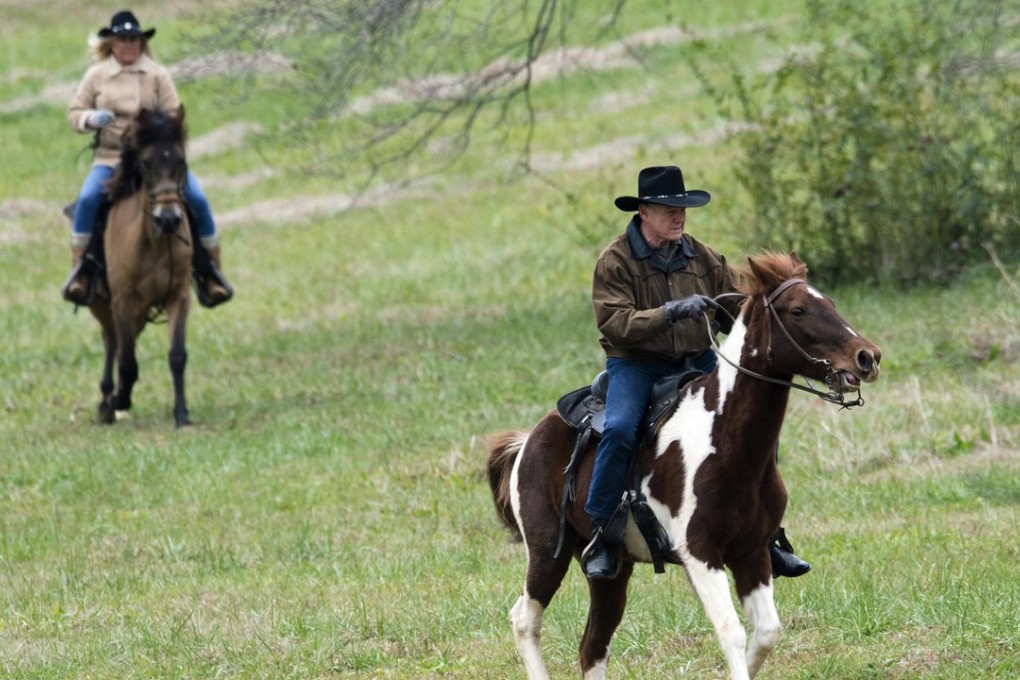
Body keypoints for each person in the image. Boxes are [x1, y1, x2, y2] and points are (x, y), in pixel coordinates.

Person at [581, 165, 811, 580]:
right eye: (669, 209)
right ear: (644, 212)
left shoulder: (701, 256)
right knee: (618, 428)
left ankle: (767, 535)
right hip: (637, 364)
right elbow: (614, 324)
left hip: (696, 359)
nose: (679, 216)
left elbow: (734, 310)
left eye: (682, 208)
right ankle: (601, 531)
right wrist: (667, 313)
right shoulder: (615, 260)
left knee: (756, 428)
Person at [62, 10, 232, 306]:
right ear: (111, 43)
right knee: (89, 199)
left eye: (134, 40)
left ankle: (210, 272)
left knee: (198, 199)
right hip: (110, 158)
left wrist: (158, 133)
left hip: (155, 163)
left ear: (141, 42)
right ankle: (82, 270)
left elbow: (174, 115)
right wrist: (90, 118)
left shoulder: (157, 74)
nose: (129, 45)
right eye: (123, 40)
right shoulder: (97, 75)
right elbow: (74, 113)